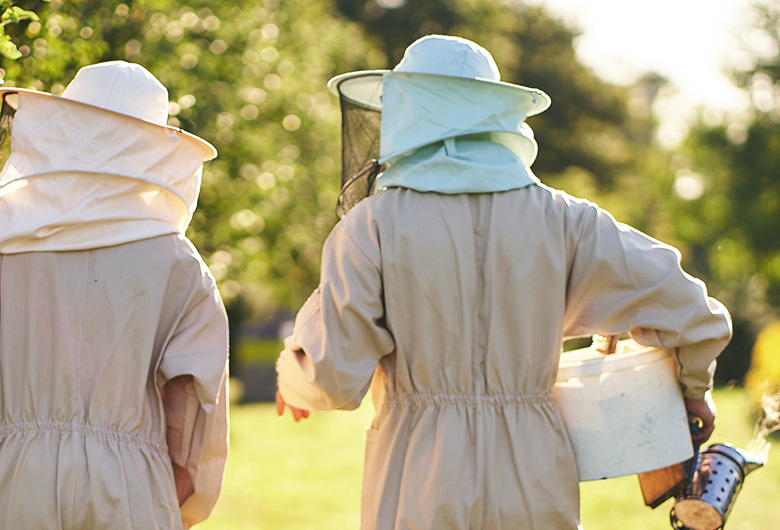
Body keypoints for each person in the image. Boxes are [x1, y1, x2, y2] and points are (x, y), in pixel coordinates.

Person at [275, 35, 732, 529]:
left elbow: (331, 378)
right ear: (495, 113)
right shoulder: (566, 220)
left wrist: (293, 380)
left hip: (419, 477)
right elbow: (686, 306)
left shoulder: (371, 226)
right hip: (535, 473)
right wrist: (692, 388)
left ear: (408, 108)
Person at [0, 61, 229, 529]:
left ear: (64, 123)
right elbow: (192, 401)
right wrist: (176, 498)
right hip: (128, 486)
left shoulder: (5, 237)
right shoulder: (177, 263)